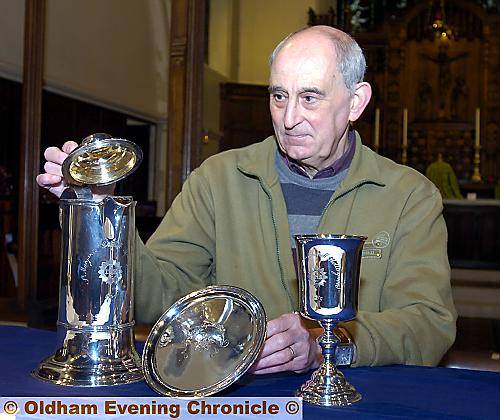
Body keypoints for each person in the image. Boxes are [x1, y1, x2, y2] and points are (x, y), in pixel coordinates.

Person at [36, 26, 456, 374]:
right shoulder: (219, 179)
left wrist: (328, 345)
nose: (289, 118)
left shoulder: (408, 196)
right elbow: (157, 295)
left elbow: (428, 325)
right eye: (278, 96)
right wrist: (100, 212)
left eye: (310, 97)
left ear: (356, 102)